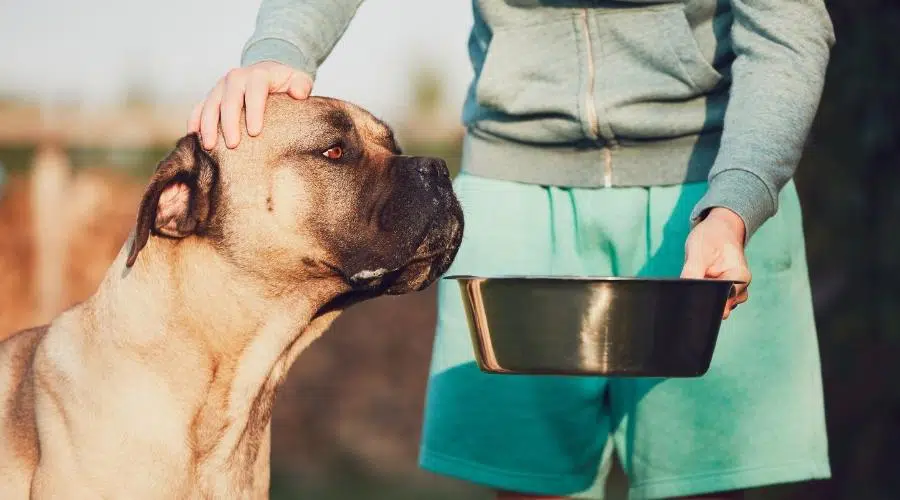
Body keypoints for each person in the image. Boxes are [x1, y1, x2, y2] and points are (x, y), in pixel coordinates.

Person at [190, 1, 835, 498]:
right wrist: (281, 47)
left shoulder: (727, 206)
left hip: (709, 195)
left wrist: (735, 206)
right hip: (516, 183)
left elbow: (787, 31)